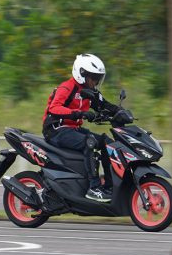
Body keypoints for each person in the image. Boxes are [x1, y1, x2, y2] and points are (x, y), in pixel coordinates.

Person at [42, 53, 120, 202]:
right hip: (56, 129)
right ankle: (94, 188)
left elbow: (104, 105)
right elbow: (54, 108)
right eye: (93, 77)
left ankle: (109, 186)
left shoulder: (90, 91)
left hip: (72, 129)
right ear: (81, 74)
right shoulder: (67, 87)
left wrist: (120, 112)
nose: (95, 81)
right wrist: (79, 113)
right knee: (89, 142)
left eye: (98, 78)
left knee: (107, 143)